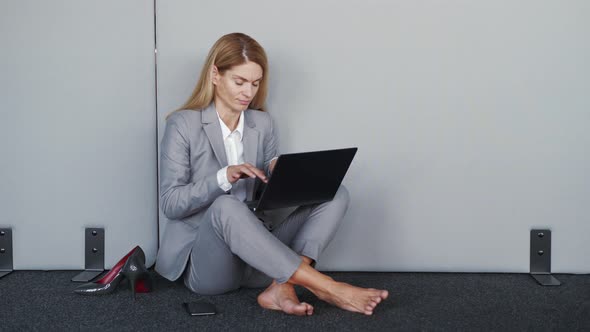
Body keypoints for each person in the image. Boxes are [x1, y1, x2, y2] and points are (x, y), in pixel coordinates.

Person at [155, 32, 388, 316]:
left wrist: (280, 175)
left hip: (261, 260)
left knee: (335, 192)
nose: (248, 92)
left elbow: (266, 197)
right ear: (215, 75)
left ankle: (282, 285)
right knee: (226, 205)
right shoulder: (182, 124)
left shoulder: (262, 123)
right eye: (239, 82)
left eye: (255, 83)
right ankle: (325, 286)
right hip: (211, 268)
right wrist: (223, 177)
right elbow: (170, 203)